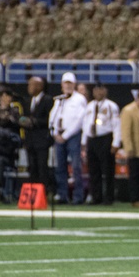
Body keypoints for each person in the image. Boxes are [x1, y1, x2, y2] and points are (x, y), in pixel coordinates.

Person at [49, 72, 87, 204]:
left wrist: (64, 136)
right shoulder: (59, 100)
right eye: (66, 83)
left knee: (76, 166)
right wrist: (54, 133)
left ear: (74, 84)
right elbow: (52, 117)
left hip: (73, 136)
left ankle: (78, 196)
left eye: (70, 83)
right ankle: (62, 194)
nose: (68, 86)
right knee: (60, 167)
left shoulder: (79, 99)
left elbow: (79, 120)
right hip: (59, 136)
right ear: (62, 85)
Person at [82, 83, 121, 206]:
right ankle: (96, 196)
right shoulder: (89, 106)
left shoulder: (111, 106)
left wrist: (116, 142)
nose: (98, 93)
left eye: (101, 90)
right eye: (96, 90)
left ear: (105, 91)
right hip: (92, 139)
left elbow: (116, 125)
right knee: (94, 170)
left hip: (105, 138)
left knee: (107, 170)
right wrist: (84, 142)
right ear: (93, 92)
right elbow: (85, 124)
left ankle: (108, 197)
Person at [19, 76, 52, 190]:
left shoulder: (48, 100)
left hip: (42, 140)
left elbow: (50, 119)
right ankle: (33, 192)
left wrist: (35, 121)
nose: (29, 87)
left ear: (39, 86)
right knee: (32, 167)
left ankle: (43, 191)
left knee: (42, 167)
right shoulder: (28, 101)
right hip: (30, 140)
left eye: (31, 85)